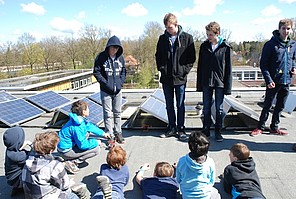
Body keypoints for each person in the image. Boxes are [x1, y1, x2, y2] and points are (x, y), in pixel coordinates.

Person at [250, 19, 296, 137]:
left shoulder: (292, 44)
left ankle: (274, 127)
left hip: (286, 81)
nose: (286, 31)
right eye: (284, 29)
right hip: (273, 81)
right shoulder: (270, 44)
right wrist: (268, 80)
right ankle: (260, 127)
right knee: (267, 105)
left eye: (288, 29)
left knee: (280, 106)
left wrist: (293, 68)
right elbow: (263, 64)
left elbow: (293, 59)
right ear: (279, 29)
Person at [155, 13, 196, 141]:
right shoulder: (162, 39)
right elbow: (158, 56)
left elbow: (192, 58)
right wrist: (162, 69)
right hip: (167, 79)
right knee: (168, 104)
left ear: (176, 25)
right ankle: (171, 127)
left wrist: (184, 71)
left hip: (180, 78)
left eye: (170, 28)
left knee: (180, 104)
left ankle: (181, 128)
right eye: (167, 28)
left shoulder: (187, 38)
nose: (168, 30)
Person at [22, 131, 90, 199]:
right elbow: (64, 186)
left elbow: (35, 150)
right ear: (51, 150)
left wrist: (29, 143)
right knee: (73, 196)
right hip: (47, 196)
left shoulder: (29, 159)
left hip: (30, 195)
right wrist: (70, 183)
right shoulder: (54, 166)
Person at [196, 21, 232, 142]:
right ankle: (206, 130)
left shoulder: (225, 47)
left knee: (219, 108)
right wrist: (199, 83)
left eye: (211, 34)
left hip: (220, 82)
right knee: (206, 107)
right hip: (207, 81)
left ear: (217, 33)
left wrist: (228, 86)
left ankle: (218, 131)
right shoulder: (204, 46)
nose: (208, 37)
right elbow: (200, 66)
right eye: (207, 34)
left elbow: (228, 68)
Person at [57, 100, 110, 174]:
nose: (89, 110)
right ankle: (72, 163)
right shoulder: (78, 126)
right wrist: (96, 142)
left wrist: (103, 134)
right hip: (66, 151)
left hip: (66, 146)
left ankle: (72, 159)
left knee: (87, 133)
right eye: (87, 109)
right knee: (96, 149)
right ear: (83, 112)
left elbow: (89, 126)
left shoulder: (77, 119)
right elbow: (83, 145)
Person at [93, 35, 126, 145]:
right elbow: (96, 72)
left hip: (118, 91)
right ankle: (110, 134)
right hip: (106, 91)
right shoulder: (101, 57)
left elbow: (124, 71)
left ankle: (118, 132)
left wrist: (120, 83)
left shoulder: (120, 58)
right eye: (113, 47)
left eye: (117, 48)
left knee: (118, 112)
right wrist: (105, 83)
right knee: (107, 114)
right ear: (108, 47)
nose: (114, 50)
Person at [176, 131, 221, 199]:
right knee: (216, 193)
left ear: (190, 145)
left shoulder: (182, 161)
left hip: (187, 196)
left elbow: (178, 179)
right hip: (205, 196)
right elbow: (211, 181)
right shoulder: (210, 162)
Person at [3, 126, 32, 196]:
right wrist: (30, 143)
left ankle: (17, 187)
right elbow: (35, 154)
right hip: (16, 180)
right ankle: (28, 189)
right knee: (37, 169)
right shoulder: (19, 156)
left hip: (11, 178)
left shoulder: (10, 150)